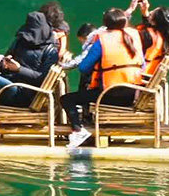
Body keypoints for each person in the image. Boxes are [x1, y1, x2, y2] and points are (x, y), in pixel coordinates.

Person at [60, 8, 144, 148]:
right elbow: (143, 64)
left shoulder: (102, 41)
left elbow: (83, 68)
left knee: (66, 99)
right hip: (134, 93)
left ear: (105, 23)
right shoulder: (134, 36)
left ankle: (78, 130)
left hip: (110, 94)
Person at [0, 11, 59, 126]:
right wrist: (4, 65)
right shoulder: (20, 41)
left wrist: (19, 69)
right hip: (8, 84)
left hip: (25, 92)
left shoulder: (50, 51)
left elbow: (42, 78)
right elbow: (4, 64)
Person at [126, 0, 169, 76]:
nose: (149, 12)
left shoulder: (146, 36)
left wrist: (129, 10)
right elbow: (150, 26)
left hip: (135, 76)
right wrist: (145, 14)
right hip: (146, 74)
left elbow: (121, 33)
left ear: (154, 22)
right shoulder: (163, 35)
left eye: (151, 14)